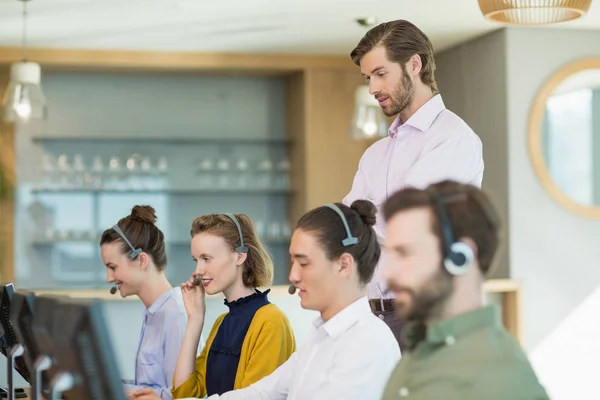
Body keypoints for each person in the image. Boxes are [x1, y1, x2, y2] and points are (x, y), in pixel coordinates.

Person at [343, 19, 484, 349]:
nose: (372, 89)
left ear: (415, 65)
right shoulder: (376, 153)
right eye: (368, 78)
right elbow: (346, 225)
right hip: (371, 315)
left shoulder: (453, 139)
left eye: (381, 73)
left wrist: (365, 222)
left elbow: (406, 224)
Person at [202, 200, 400, 400]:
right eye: (292, 262)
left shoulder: (366, 344)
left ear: (343, 265)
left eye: (304, 263)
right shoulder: (319, 338)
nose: (293, 275)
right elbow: (260, 394)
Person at [380, 180, 549, 399]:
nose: (388, 272)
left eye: (405, 253)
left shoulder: (500, 380)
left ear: (461, 256)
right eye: (389, 254)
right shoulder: (419, 351)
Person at [132, 213, 296, 400]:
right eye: (196, 260)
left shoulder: (271, 322)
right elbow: (184, 393)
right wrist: (195, 319)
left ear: (240, 256)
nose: (198, 271)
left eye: (207, 258)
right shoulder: (222, 323)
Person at [100, 205, 191, 399]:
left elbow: (180, 395)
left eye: (113, 267)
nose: (109, 278)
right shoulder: (154, 312)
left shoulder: (177, 314)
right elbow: (151, 385)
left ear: (141, 260)